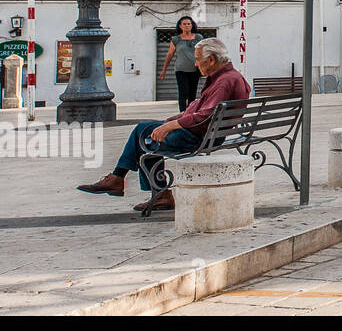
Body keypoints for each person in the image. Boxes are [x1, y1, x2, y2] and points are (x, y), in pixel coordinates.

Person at [77, 39, 249, 211]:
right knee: (145, 132)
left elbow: (206, 115)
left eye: (197, 59)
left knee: (144, 137)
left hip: (198, 138)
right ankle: (124, 181)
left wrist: (170, 125)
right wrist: (175, 119)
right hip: (208, 134)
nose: (195, 64)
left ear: (211, 60)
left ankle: (143, 187)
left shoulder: (224, 81)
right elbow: (206, 110)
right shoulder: (228, 77)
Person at [158, 15, 205, 113]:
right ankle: (182, 113)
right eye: (184, 24)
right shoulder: (176, 39)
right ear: (180, 26)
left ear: (192, 25)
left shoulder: (198, 37)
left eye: (189, 24)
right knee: (183, 92)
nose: (187, 26)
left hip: (195, 69)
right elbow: (170, 54)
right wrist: (164, 70)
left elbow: (203, 52)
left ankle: (190, 113)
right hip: (181, 70)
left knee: (192, 93)